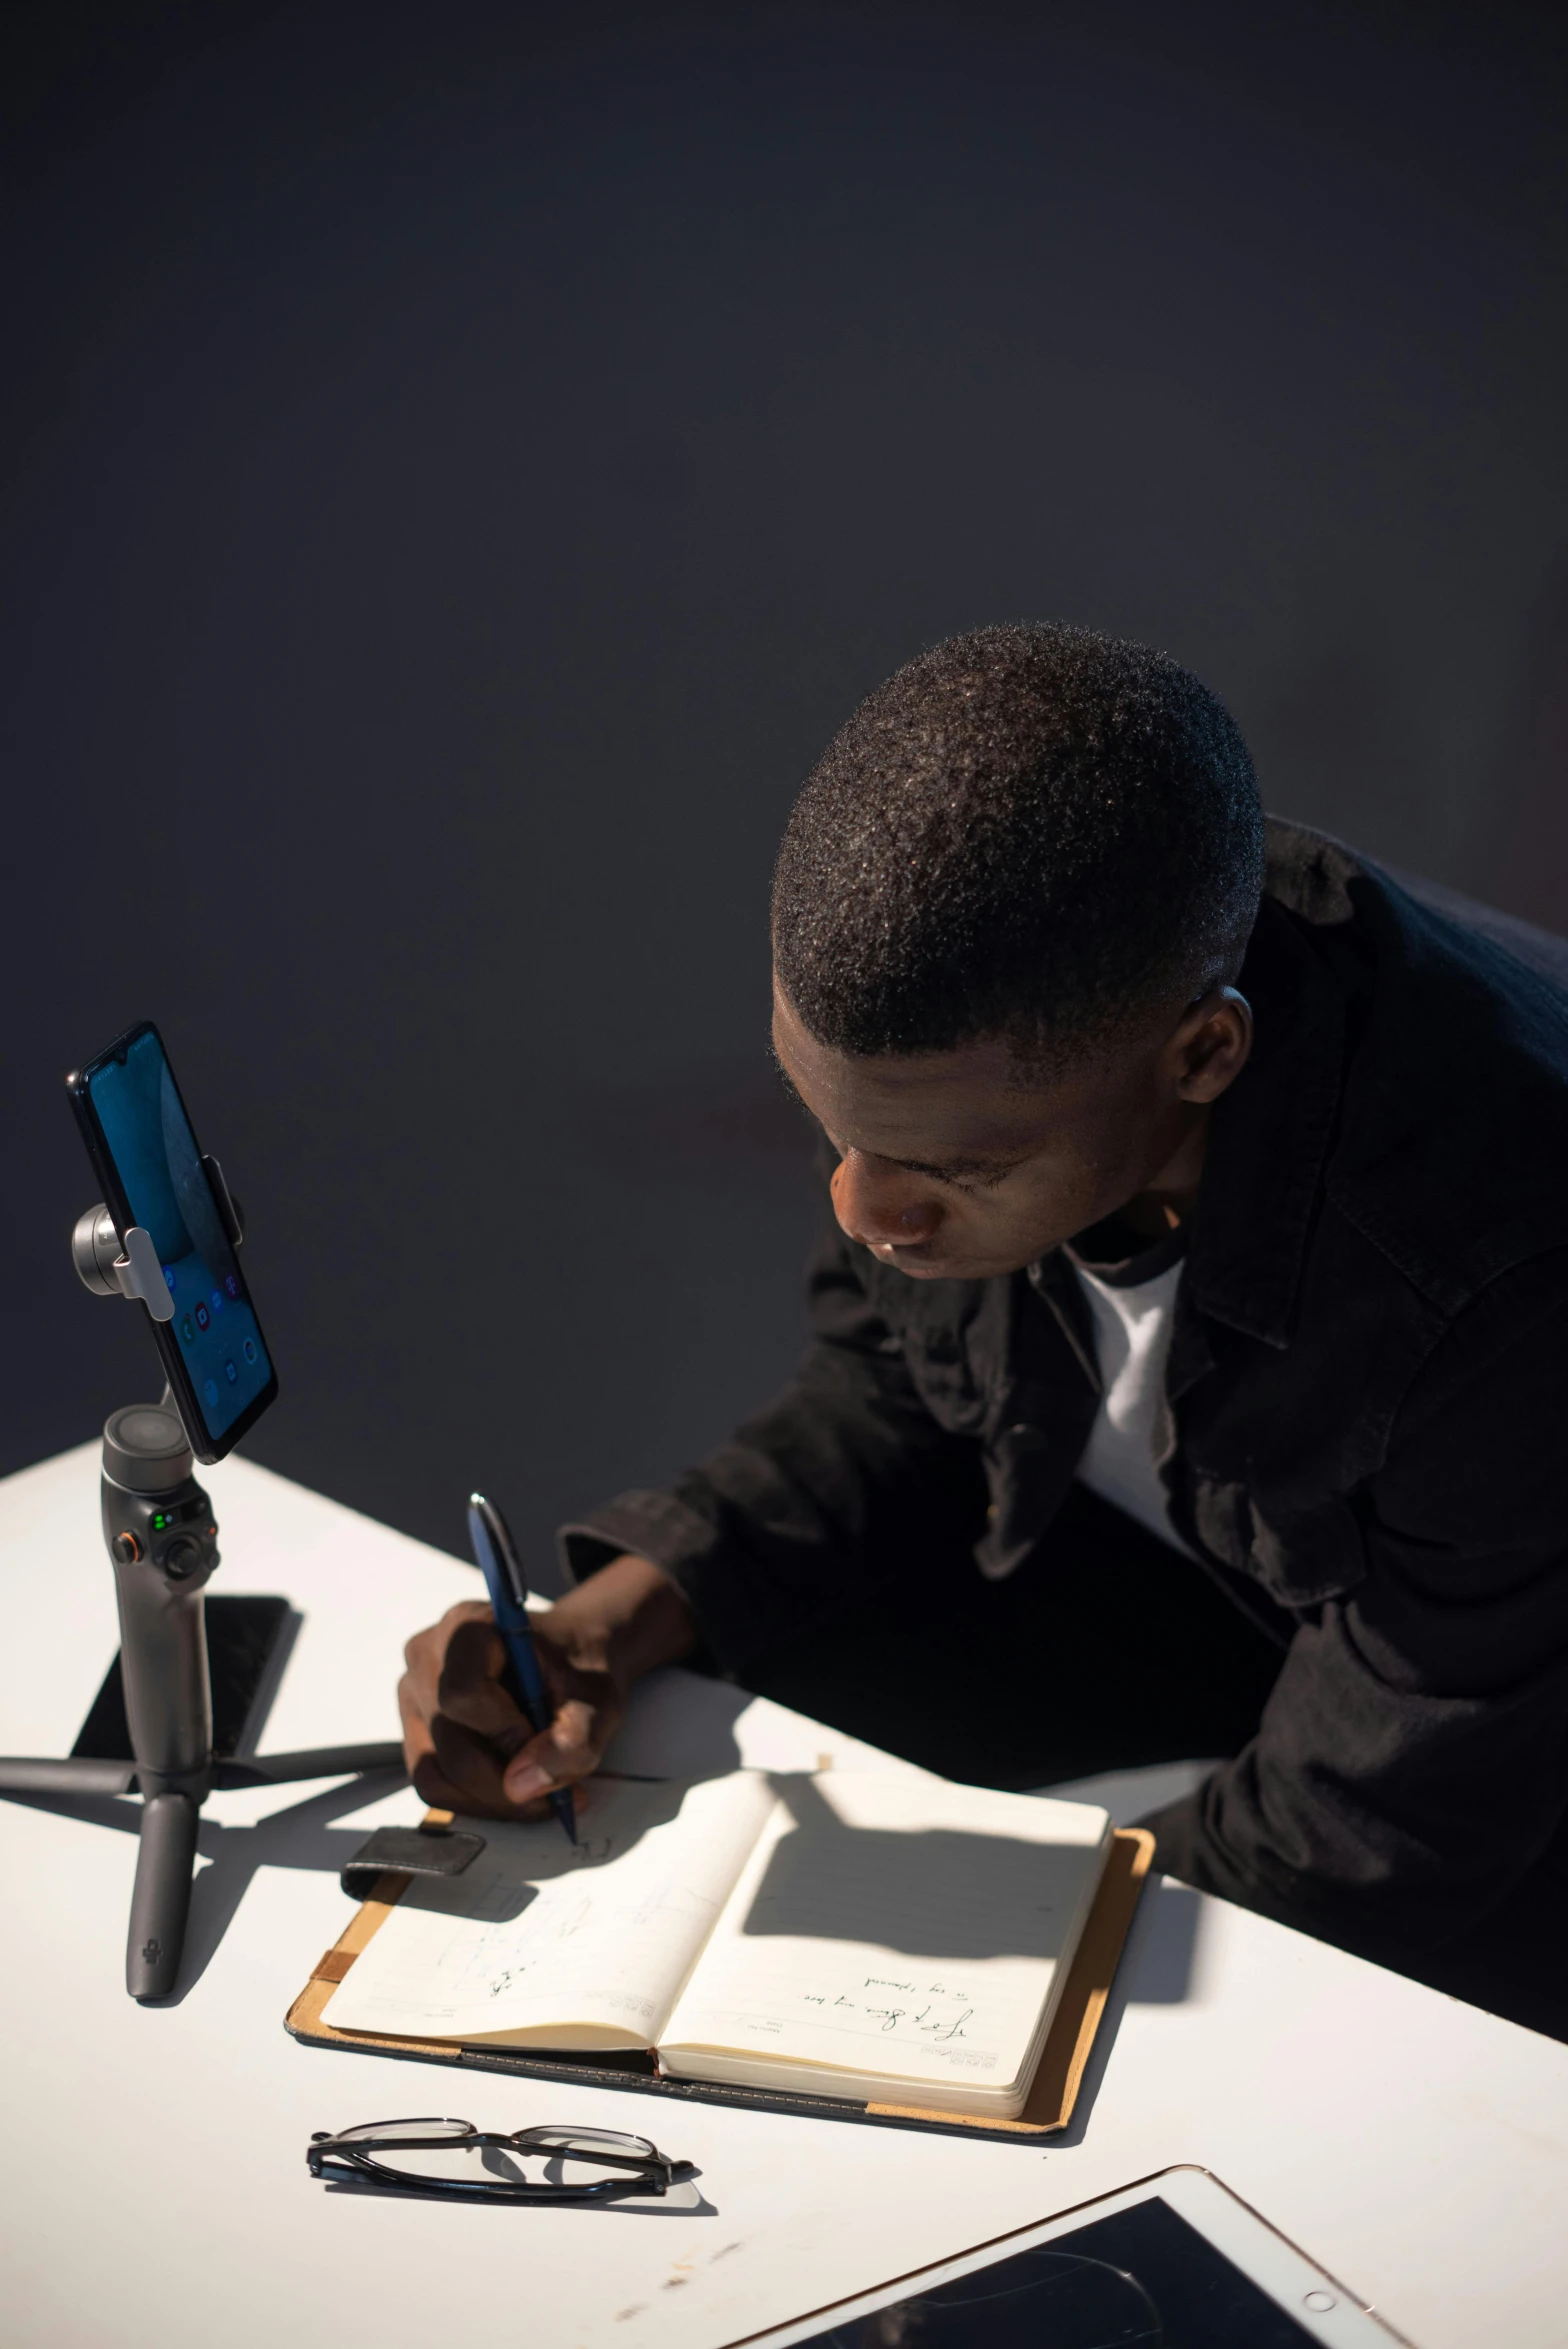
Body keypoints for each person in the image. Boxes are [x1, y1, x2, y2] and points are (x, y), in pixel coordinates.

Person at [400, 623, 1568, 2039]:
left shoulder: (1493, 1280)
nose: (865, 1210)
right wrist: (622, 1617)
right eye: (825, 1125)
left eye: (956, 1174)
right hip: (1250, 1615)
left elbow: (1367, 1848)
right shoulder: (1044, 1015)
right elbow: (903, 1392)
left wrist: (918, 2010)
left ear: (1204, 1053)